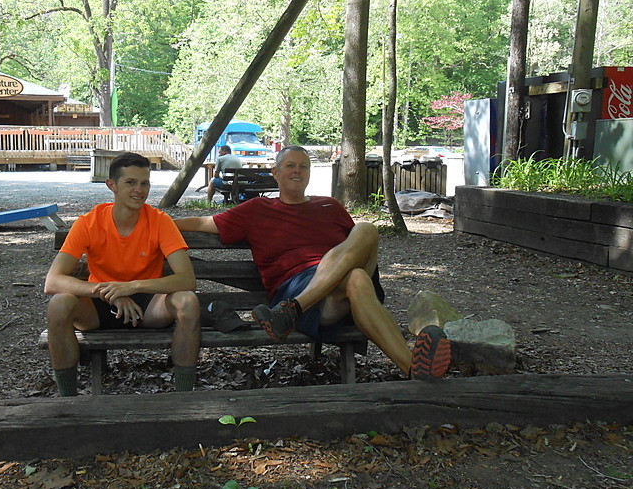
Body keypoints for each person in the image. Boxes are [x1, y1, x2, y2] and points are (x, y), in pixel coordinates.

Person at [174, 145, 451, 380]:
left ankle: (291, 312)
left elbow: (357, 249)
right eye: (290, 166)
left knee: (366, 233)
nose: (297, 171)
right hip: (297, 287)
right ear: (276, 172)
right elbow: (203, 222)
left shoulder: (330, 205)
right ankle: (414, 370)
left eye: (303, 167)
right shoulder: (258, 209)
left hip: (329, 293)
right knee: (355, 277)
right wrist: (158, 225)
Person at [44, 152, 201, 395]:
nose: (139, 190)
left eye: (144, 183)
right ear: (112, 185)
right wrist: (110, 292)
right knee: (58, 304)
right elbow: (53, 281)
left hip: (148, 305)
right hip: (99, 305)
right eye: (130, 182)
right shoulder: (89, 222)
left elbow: (187, 280)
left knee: (187, 302)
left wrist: (132, 287)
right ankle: (67, 399)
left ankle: (183, 396)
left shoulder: (160, 221)